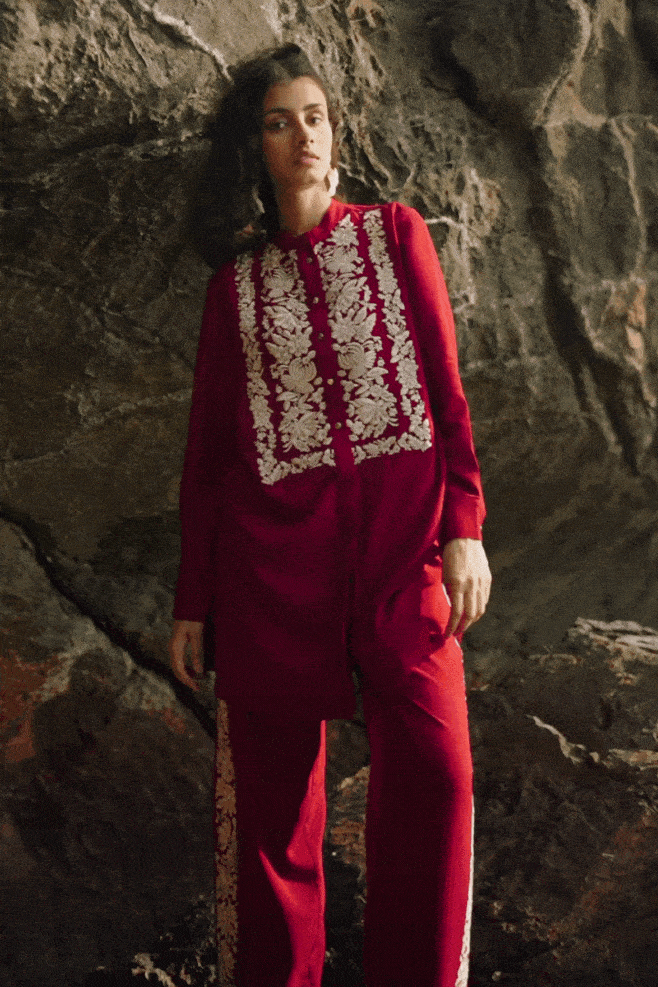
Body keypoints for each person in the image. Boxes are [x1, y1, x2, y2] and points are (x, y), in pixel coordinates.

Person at [168, 42, 491, 987]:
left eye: (314, 116)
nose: (303, 135)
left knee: (439, 776)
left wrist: (465, 527)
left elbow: (446, 393)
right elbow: (209, 458)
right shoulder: (234, 288)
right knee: (271, 822)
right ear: (256, 148)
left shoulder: (396, 234)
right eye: (280, 122)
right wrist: (194, 598)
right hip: (272, 574)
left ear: (336, 131)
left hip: (402, 560)